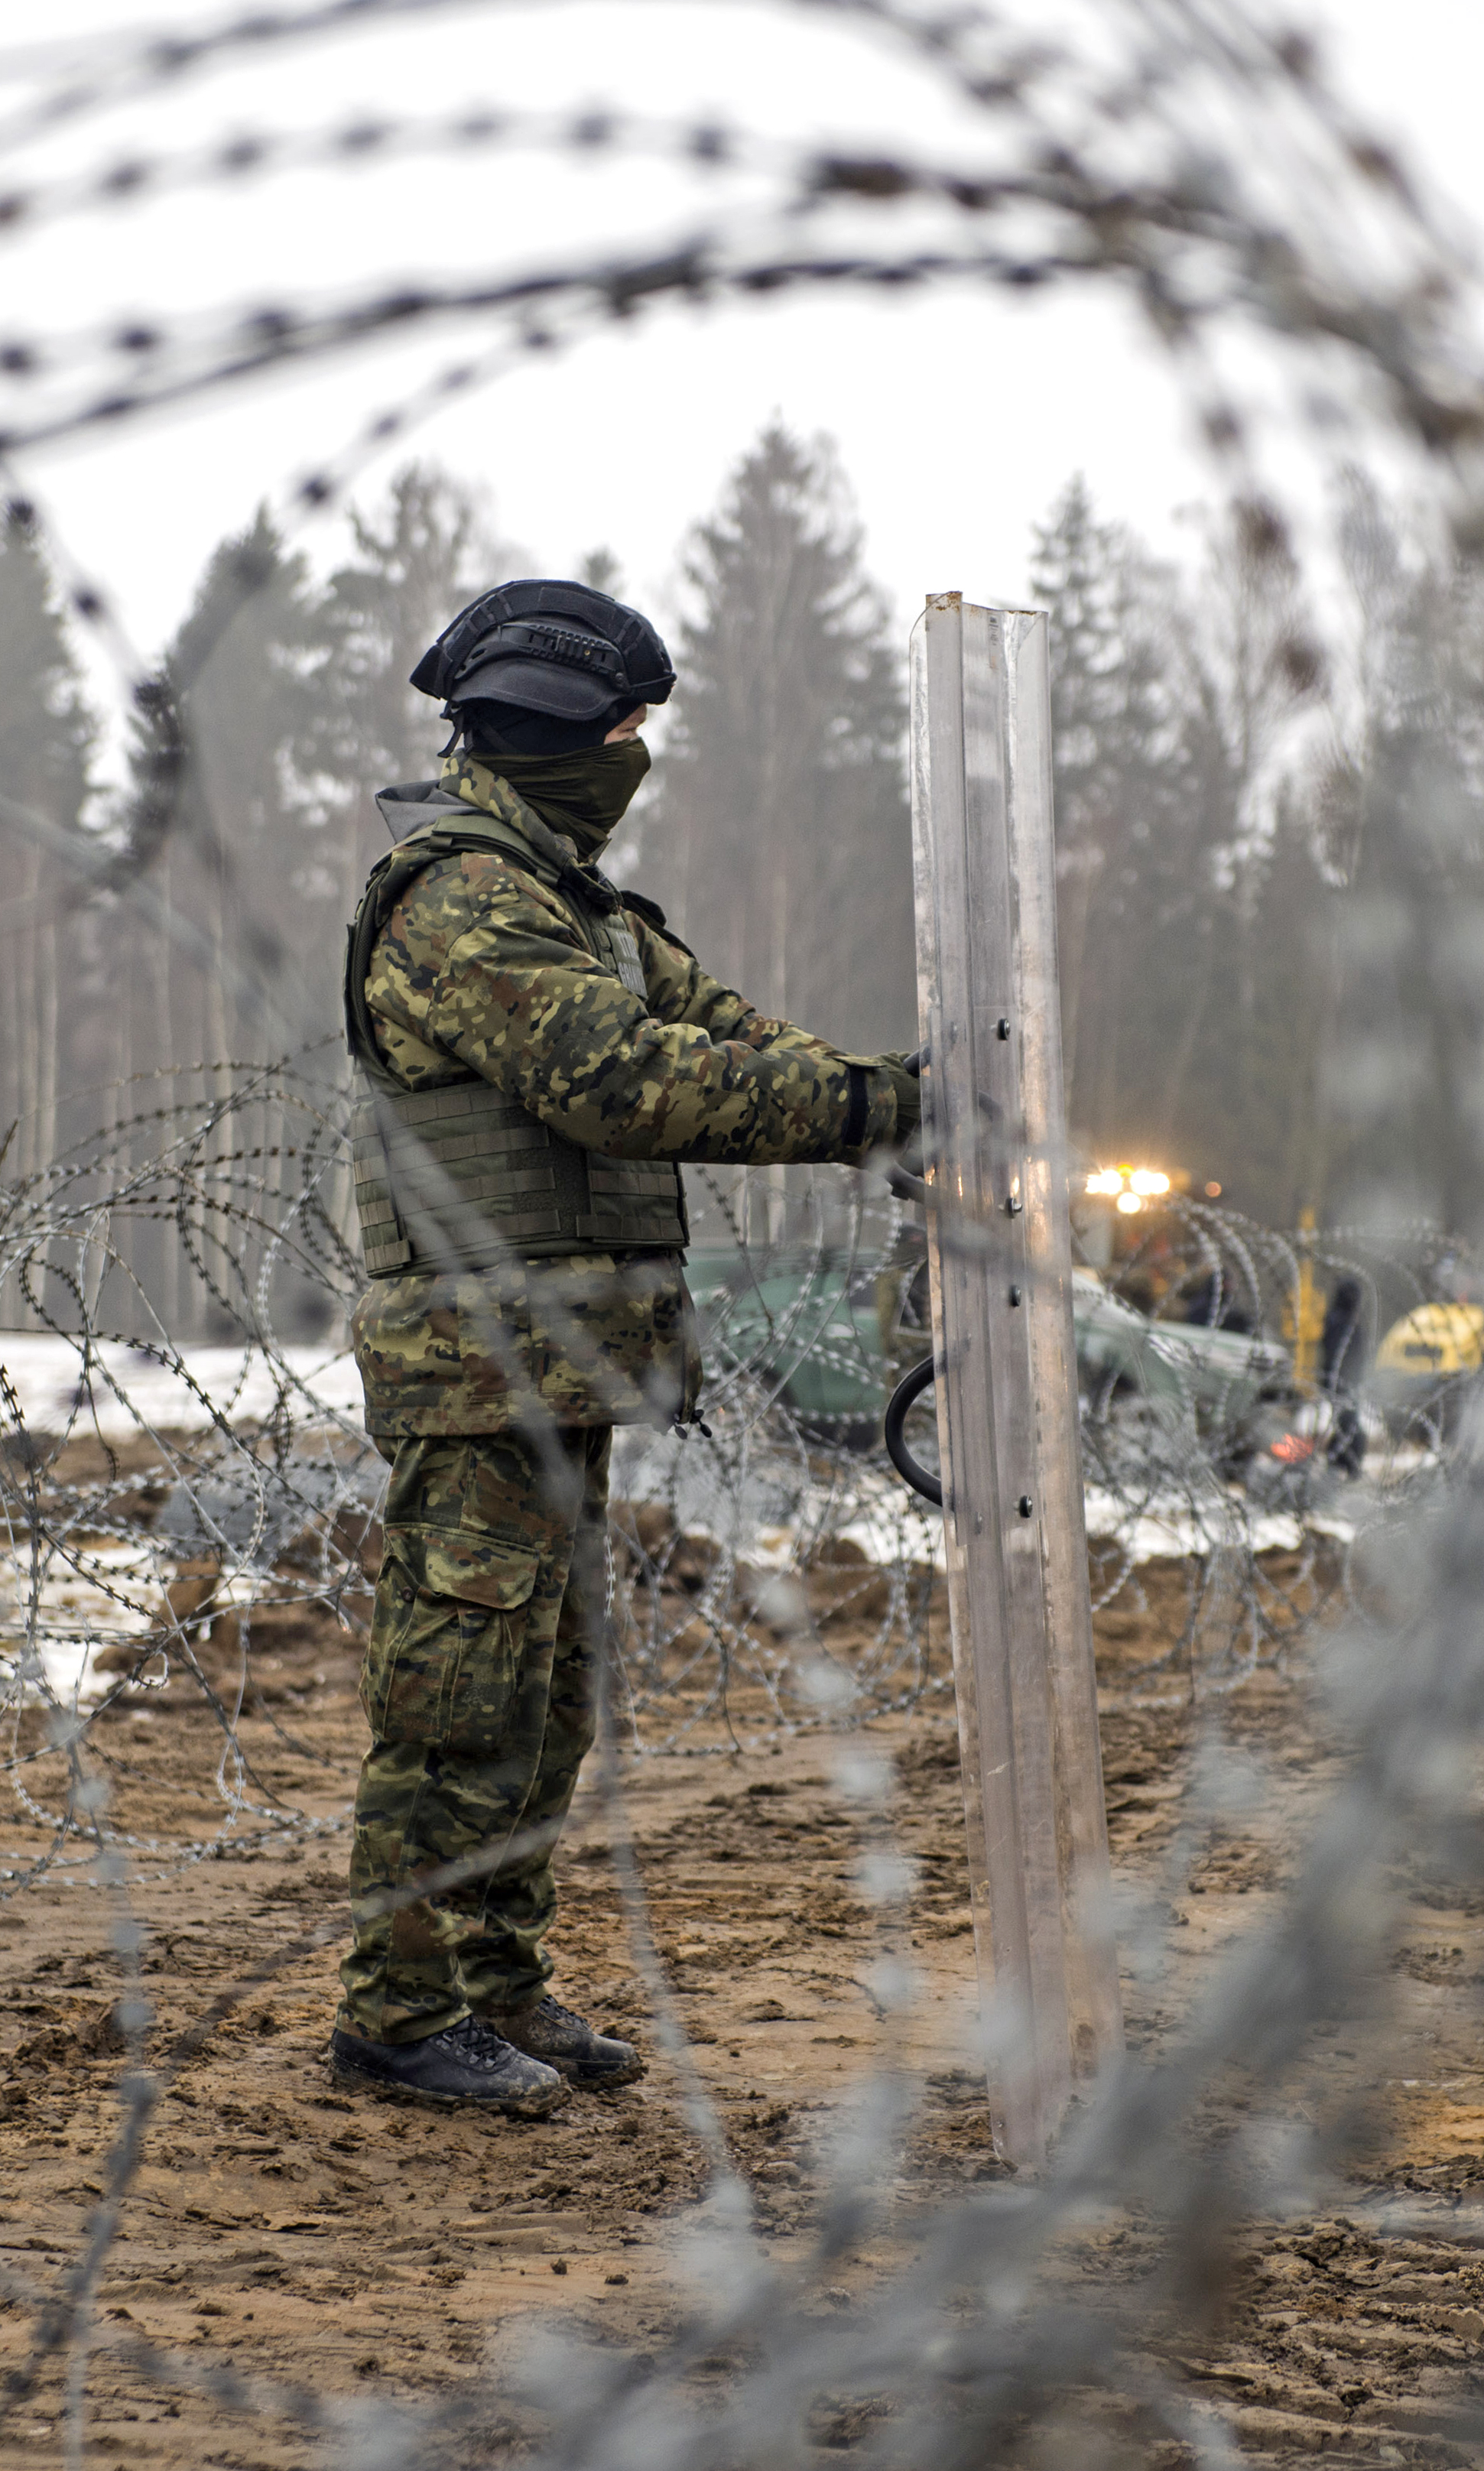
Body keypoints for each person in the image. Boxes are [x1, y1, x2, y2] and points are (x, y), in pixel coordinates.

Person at [331, 578, 925, 2115]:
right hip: (476, 1370)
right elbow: (621, 1081)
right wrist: (866, 1109)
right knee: (456, 1696)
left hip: (559, 1360)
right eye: (621, 730)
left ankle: (497, 1981)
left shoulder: (571, 899)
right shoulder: (460, 898)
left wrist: (881, 1097)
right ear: (551, 728)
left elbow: (722, 1033)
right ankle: (395, 2009)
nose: (633, 755)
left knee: (545, 1696)